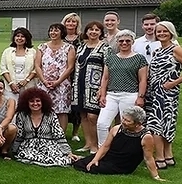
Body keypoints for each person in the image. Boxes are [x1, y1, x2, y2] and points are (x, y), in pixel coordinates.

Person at [145, 21, 182, 169]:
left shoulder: (177, 50)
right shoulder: (157, 51)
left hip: (167, 93)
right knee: (165, 124)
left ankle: (159, 159)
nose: (161, 34)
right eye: (159, 32)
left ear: (171, 33)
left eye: (164, 31)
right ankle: (169, 157)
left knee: (157, 125)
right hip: (154, 92)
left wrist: (173, 83)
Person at [74, 106, 165, 180]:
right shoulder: (117, 129)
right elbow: (105, 146)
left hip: (123, 165)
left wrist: (156, 176)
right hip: (109, 158)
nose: (123, 122)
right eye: (123, 119)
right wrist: (95, 159)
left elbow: (148, 158)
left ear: (138, 124)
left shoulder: (146, 137)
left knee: (90, 168)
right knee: (83, 163)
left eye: (127, 121)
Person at [96, 29, 148, 149]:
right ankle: (102, 149)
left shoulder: (139, 59)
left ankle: (124, 149)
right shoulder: (111, 59)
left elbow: (142, 80)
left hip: (130, 95)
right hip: (112, 95)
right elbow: (105, 78)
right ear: (117, 42)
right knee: (102, 123)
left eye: (127, 41)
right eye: (121, 41)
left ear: (132, 42)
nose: (124, 43)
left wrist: (141, 97)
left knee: (127, 125)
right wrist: (103, 95)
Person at [9, 88, 76, 167]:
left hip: (48, 146)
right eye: (32, 101)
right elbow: (20, 135)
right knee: (26, 156)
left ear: (43, 102)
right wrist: (14, 151)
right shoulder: (22, 115)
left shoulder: (50, 115)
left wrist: (68, 152)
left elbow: (59, 135)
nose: (35, 103)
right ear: (26, 103)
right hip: (29, 147)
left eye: (38, 101)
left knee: (59, 159)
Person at [72, 21, 110, 154]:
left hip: (95, 87)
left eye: (97, 30)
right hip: (80, 85)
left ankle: (96, 145)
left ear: (101, 33)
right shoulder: (81, 46)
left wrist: (102, 88)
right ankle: (88, 143)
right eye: (91, 29)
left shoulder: (105, 48)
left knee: (93, 116)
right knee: (83, 115)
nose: (93, 32)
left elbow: (107, 68)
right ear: (86, 32)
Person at [34, 23, 75, 134]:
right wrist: (43, 81)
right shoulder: (42, 47)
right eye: (51, 30)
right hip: (44, 83)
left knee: (62, 111)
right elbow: (37, 65)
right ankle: (44, 133)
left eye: (56, 30)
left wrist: (58, 81)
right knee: (43, 109)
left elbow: (70, 67)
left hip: (62, 84)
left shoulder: (69, 48)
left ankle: (60, 136)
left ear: (62, 32)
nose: (53, 33)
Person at [61, 12, 83, 142]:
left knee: (76, 102)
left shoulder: (81, 38)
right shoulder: (60, 37)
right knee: (62, 101)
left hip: (77, 73)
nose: (71, 24)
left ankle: (75, 132)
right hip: (61, 73)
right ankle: (59, 129)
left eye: (74, 21)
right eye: (68, 21)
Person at [0, 27, 38, 101]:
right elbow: (3, 68)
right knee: (12, 108)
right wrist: (11, 83)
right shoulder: (7, 51)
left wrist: (26, 80)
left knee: (27, 108)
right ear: (14, 38)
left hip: (28, 86)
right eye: (17, 36)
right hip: (10, 87)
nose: (19, 38)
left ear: (26, 39)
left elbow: (36, 68)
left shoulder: (32, 52)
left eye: (22, 36)